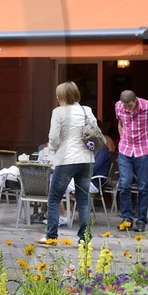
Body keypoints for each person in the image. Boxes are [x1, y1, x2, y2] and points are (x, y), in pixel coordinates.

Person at [42, 82, 96, 245]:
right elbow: (93, 130)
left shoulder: (58, 112)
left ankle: (51, 236)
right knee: (83, 200)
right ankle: (84, 238)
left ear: (62, 96)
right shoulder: (86, 110)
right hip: (86, 159)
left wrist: (54, 148)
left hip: (66, 159)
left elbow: (53, 138)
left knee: (54, 198)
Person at [114, 89, 148, 232]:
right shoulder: (118, 106)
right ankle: (127, 219)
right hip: (125, 149)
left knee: (143, 186)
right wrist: (122, 136)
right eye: (125, 106)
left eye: (129, 106)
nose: (127, 109)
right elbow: (120, 123)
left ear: (135, 101)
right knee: (124, 184)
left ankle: (141, 220)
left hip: (143, 149)